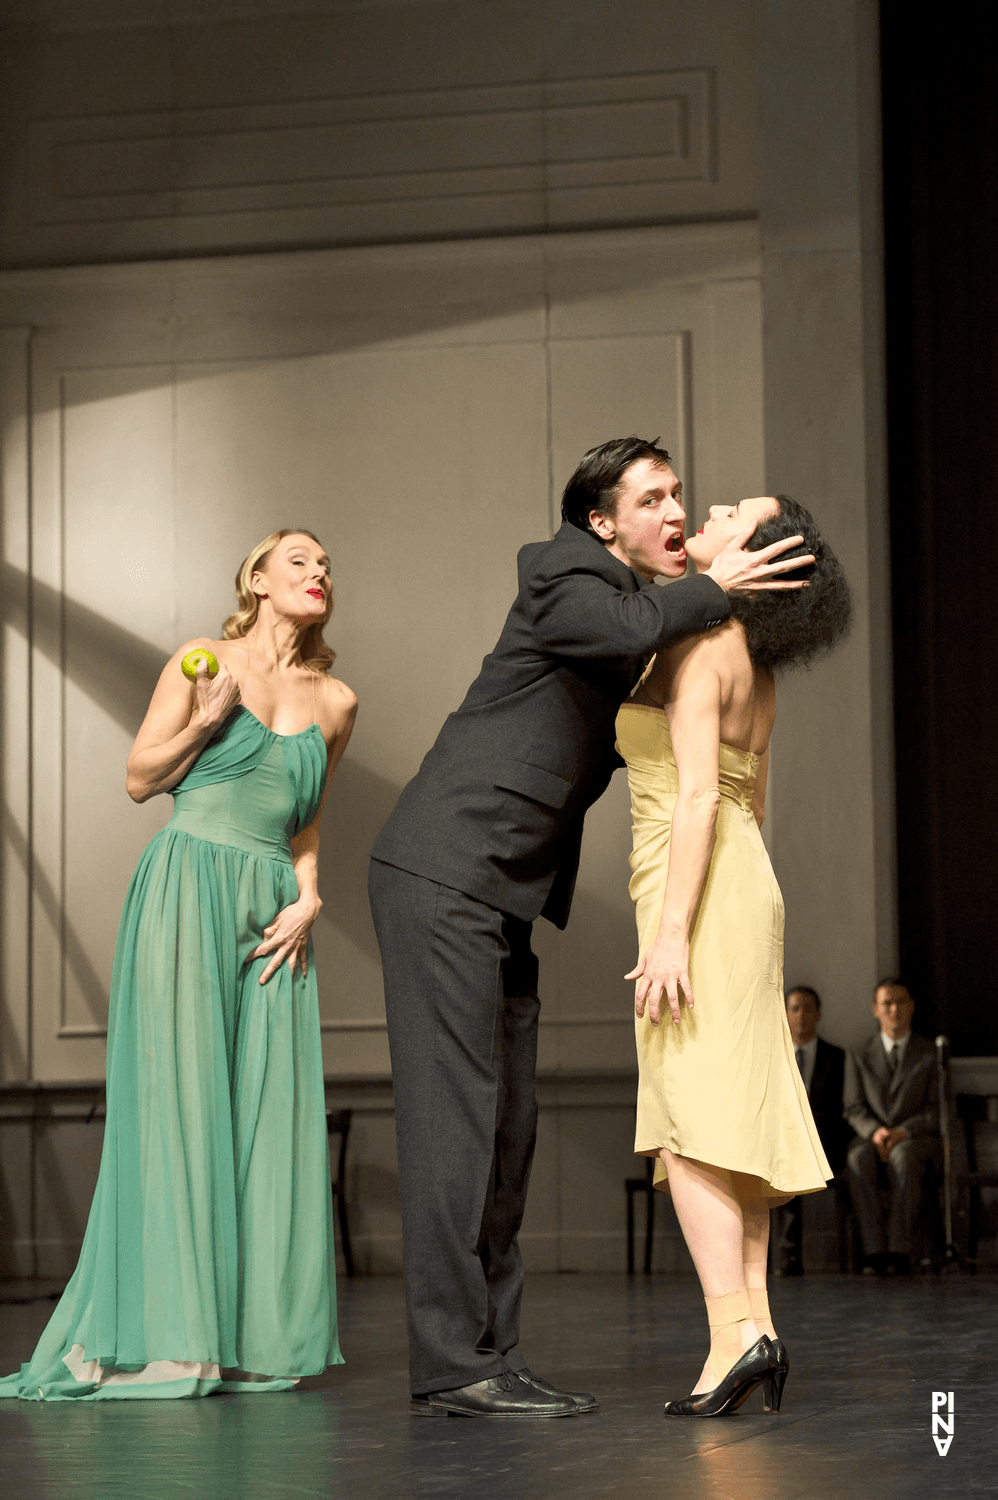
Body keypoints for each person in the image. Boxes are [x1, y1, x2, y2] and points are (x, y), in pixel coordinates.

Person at [368, 437, 813, 1418]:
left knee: (505, 1128)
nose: (672, 511)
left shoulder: (652, 627)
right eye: (649, 498)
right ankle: (453, 1365)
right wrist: (716, 581)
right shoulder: (560, 568)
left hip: (499, 891)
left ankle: (492, 1352)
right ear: (600, 522)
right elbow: (637, 625)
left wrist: (723, 594)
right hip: (440, 867)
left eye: (679, 495)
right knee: (454, 1124)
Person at [1, 529, 357, 1401]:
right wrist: (203, 725)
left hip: (276, 910)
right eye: (300, 560)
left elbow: (303, 818)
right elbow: (138, 777)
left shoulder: (338, 700)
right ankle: (169, 1338)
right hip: (187, 887)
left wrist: (310, 896)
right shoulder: (205, 663)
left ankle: (251, 1339)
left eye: (326, 564)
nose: (319, 572)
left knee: (266, 1119)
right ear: (258, 579)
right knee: (182, 1108)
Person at [617, 492, 851, 1416]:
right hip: (742, 886)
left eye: (730, 512)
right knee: (728, 1121)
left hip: (698, 887)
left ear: (756, 554)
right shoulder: (756, 664)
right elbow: (755, 810)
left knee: (693, 1125)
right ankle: (750, 1330)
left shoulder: (702, 649)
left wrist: (672, 929)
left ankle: (735, 1336)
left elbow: (702, 801)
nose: (706, 509)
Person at [843, 978, 940, 1276]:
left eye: (900, 1002)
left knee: (904, 1157)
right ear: (875, 1009)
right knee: (857, 1158)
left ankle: (899, 1249)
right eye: (887, 1003)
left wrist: (903, 1132)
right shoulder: (859, 1054)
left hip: (914, 1138)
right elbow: (853, 1107)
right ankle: (874, 1251)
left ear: (911, 1006)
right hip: (872, 1136)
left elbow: (937, 1109)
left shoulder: (929, 1053)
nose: (894, 1009)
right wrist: (876, 1131)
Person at [772, 985, 849, 1275]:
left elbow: (843, 1110)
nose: (801, 1014)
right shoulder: (773, 1055)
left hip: (826, 1144)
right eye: (794, 1008)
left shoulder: (836, 1057)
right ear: (785, 1013)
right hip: (785, 1144)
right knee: (784, 1162)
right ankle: (787, 1257)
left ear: (818, 1014)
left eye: (807, 1008)